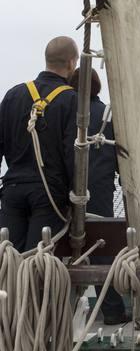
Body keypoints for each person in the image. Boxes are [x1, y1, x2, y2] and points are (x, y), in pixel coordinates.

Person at [0, 36, 79, 251]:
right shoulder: (72, 100)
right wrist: (76, 195)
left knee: (8, 262)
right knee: (37, 264)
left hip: (12, 190)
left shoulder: (13, 95)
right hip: (48, 193)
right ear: (71, 63)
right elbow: (72, 153)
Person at [69, 67, 129, 325]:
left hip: (66, 191)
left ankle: (60, 312)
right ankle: (113, 311)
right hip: (100, 192)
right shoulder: (108, 115)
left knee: (63, 247)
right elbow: (122, 159)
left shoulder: (65, 113)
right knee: (103, 250)